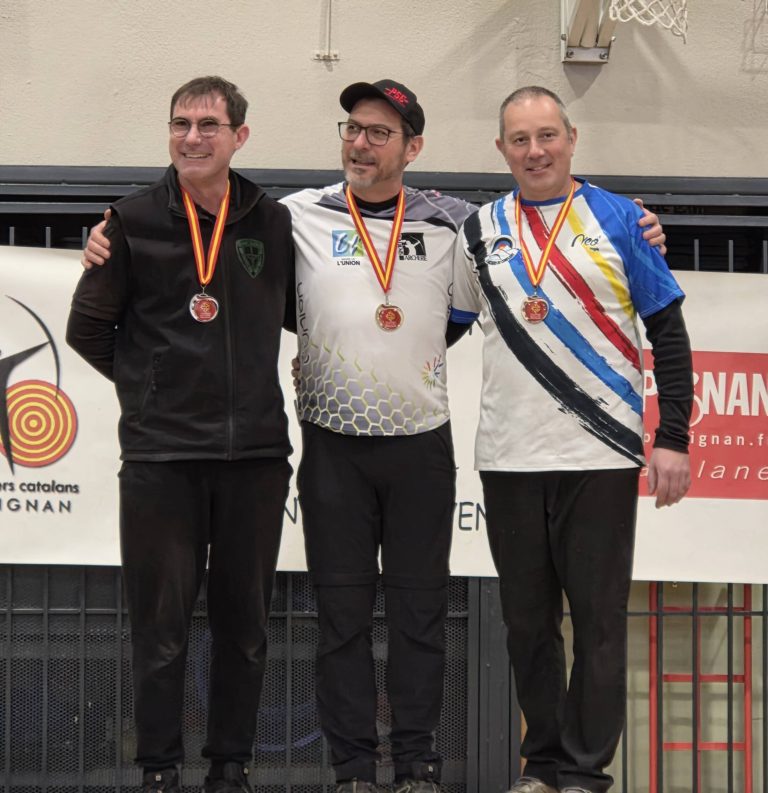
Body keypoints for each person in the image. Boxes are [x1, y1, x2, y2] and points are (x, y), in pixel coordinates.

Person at [80, 78, 667, 793]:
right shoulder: (291, 216)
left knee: (422, 617)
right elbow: (229, 255)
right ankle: (352, 769)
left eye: (380, 133)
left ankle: (418, 764)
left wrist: (639, 224)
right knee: (342, 621)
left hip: (422, 443)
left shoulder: (462, 223)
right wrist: (106, 242)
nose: (361, 142)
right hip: (332, 446)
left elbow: (479, 294)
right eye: (352, 128)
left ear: (412, 147)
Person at [450, 86, 693, 793]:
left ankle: (587, 772)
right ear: (501, 150)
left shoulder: (620, 219)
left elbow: (669, 335)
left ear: (572, 137)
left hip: (600, 456)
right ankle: (544, 765)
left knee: (598, 624)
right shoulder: (478, 230)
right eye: (520, 139)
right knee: (526, 626)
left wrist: (671, 434)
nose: (535, 150)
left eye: (547, 135)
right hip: (508, 456)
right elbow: (448, 326)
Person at [67, 76, 295, 793]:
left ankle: (231, 766)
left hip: (255, 457)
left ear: (239, 137)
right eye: (180, 124)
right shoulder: (131, 221)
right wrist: (150, 391)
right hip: (162, 459)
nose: (192, 137)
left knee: (245, 628)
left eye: (207, 124)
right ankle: (160, 768)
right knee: (160, 628)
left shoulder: (270, 220)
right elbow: (86, 329)